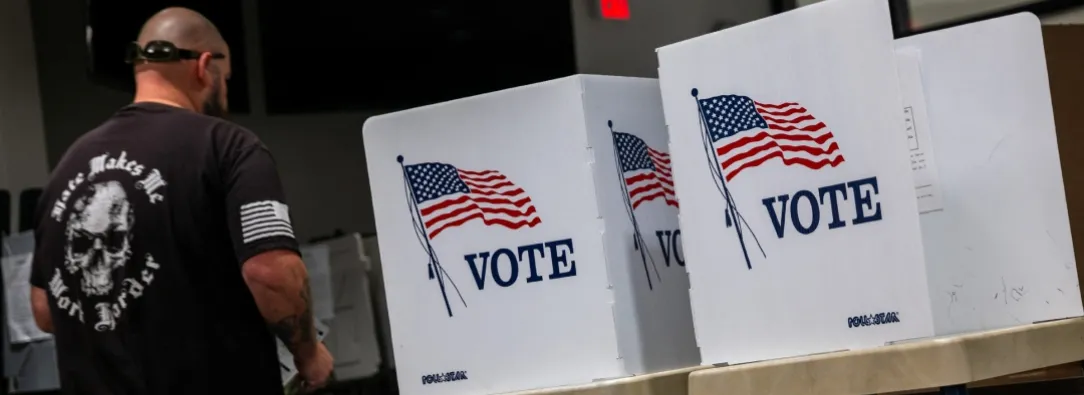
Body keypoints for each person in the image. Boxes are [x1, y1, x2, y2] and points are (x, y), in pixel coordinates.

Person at [28, 7, 332, 395]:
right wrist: (308, 353)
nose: (225, 92)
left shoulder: (65, 169)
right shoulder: (229, 146)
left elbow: (44, 309)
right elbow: (270, 273)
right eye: (227, 79)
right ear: (204, 67)